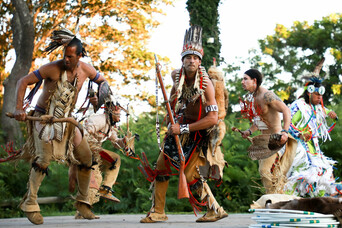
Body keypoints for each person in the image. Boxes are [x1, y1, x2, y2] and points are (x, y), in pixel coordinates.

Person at [13, 28, 108, 225]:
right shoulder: (52, 68)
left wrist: (99, 96)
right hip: (43, 118)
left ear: (80, 56)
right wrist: (18, 108)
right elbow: (23, 82)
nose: (66, 59)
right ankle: (30, 204)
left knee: (86, 157)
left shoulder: (86, 69)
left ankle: (83, 203)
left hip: (67, 122)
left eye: (71, 56)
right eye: (65, 55)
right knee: (44, 159)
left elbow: (102, 81)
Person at [140, 25, 228, 223]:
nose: (192, 60)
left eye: (196, 58)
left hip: (200, 132)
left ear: (200, 61)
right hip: (180, 128)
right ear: (183, 59)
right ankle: (158, 211)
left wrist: (184, 128)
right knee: (162, 166)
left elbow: (213, 119)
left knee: (190, 175)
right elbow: (173, 101)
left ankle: (215, 209)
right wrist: (171, 113)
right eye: (188, 57)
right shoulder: (177, 77)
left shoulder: (206, 85)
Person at [72, 97, 137, 219]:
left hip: (95, 149)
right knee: (95, 176)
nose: (120, 116)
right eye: (118, 113)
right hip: (86, 149)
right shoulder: (99, 120)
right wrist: (91, 150)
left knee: (115, 159)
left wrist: (124, 142)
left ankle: (106, 189)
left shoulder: (111, 125)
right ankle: (83, 209)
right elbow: (84, 133)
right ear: (111, 112)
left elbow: (115, 142)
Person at [240, 69, 298, 194]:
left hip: (275, 140)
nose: (242, 82)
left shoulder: (267, 95)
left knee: (265, 171)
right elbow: (258, 121)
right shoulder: (253, 97)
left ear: (254, 81)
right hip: (263, 142)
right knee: (273, 175)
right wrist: (249, 132)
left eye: (245, 79)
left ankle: (273, 201)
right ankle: (280, 200)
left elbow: (286, 110)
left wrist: (285, 132)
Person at [285, 68, 338, 197]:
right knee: (299, 172)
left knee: (323, 171)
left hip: (313, 147)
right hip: (299, 147)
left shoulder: (317, 108)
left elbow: (325, 110)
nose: (320, 97)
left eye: (321, 95)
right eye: (317, 94)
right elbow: (288, 123)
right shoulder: (299, 106)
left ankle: (317, 202)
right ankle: (287, 200)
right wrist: (299, 134)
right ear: (309, 93)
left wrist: (331, 113)